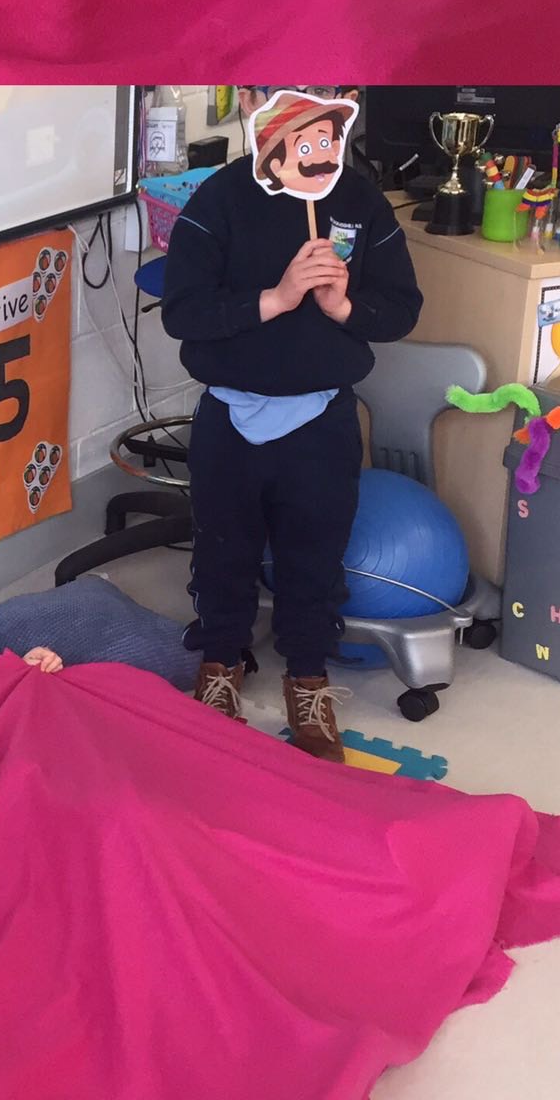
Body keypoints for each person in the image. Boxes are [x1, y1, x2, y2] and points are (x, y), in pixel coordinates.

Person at [160, 93, 422, 761]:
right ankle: (221, 660)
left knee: (314, 557)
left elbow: (401, 309)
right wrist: (275, 299)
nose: (320, 149)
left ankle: (307, 677)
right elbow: (183, 313)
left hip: (321, 418)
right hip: (232, 415)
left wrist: (344, 307)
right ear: (255, 110)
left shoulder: (357, 200)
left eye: (328, 128)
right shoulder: (219, 200)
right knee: (223, 551)